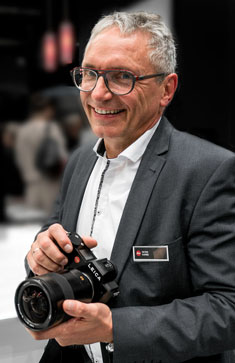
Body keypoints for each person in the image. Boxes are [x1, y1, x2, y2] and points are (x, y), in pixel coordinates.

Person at [24, 11, 235, 363]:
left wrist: (114, 328)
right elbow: (52, 241)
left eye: (122, 77)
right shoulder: (80, 161)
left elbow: (228, 308)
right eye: (89, 74)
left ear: (166, 89)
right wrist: (39, 257)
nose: (99, 94)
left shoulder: (209, 171)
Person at [15, 93, 67, 216]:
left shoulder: (23, 130)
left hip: (31, 184)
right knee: (50, 225)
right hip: (50, 182)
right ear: (47, 109)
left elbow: (19, 158)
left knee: (32, 225)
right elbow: (62, 156)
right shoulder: (52, 128)